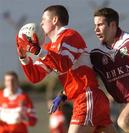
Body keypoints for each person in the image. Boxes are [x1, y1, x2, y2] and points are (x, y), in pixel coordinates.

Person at [16, 5, 116, 133]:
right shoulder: (50, 48)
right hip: (84, 99)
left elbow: (64, 64)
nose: (40, 23)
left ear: (54, 20)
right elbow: (35, 76)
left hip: (88, 96)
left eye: (43, 19)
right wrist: (23, 57)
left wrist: (37, 51)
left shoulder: (70, 36)